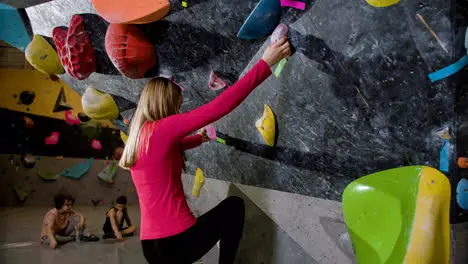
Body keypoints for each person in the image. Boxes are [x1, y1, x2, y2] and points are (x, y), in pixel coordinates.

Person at [119, 37, 291, 264]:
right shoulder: (163, 128)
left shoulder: (138, 139)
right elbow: (219, 107)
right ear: (167, 104)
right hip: (177, 240)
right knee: (234, 207)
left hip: (151, 248)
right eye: (177, 106)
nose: (178, 111)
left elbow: (164, 155)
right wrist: (265, 63)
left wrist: (198, 140)